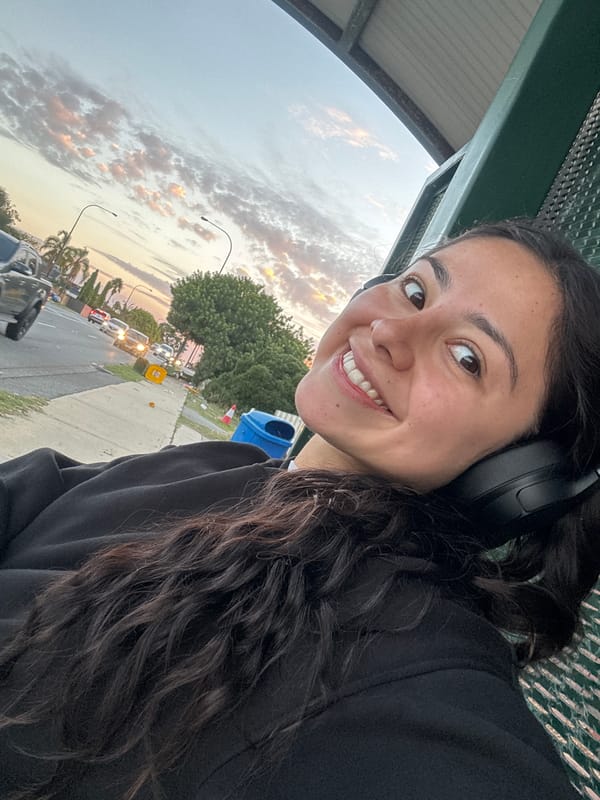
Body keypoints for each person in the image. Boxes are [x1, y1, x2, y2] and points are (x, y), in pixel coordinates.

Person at [1, 218, 599, 800]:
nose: (390, 331)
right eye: (416, 291)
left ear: (517, 473)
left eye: (467, 357)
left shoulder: (414, 667)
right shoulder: (211, 463)